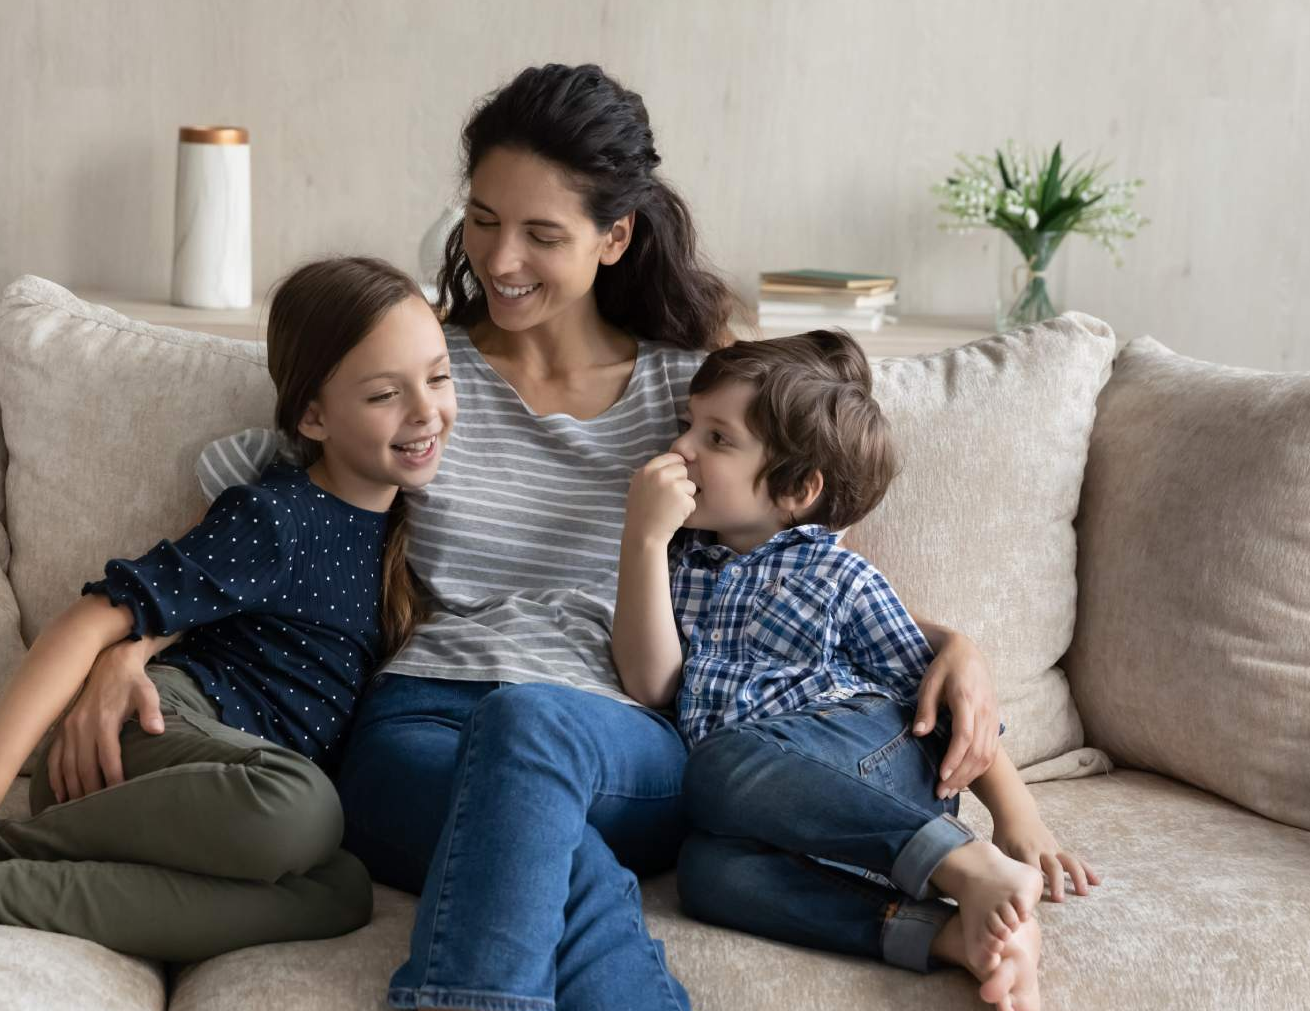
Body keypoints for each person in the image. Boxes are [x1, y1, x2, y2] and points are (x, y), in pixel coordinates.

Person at [53, 64, 1004, 1011]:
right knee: (563, 862)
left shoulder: (694, 396)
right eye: (482, 219)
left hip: (618, 746)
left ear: (614, 236)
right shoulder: (420, 367)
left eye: (542, 234)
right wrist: (129, 643)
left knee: (533, 724)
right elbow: (259, 525)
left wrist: (944, 642)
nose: (500, 259)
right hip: (416, 732)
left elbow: (778, 562)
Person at [0, 256, 456, 963]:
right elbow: (93, 617)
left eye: (439, 377)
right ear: (313, 414)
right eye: (385, 394)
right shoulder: (277, 517)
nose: (425, 411)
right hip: (132, 746)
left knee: (339, 890)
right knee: (303, 806)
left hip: (220, 810)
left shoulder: (401, 531)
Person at [612, 330, 1101, 1011]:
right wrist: (644, 538)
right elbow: (652, 685)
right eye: (684, 426)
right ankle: (951, 936)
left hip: (877, 755)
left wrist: (1017, 819)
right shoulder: (678, 564)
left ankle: (967, 862)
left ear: (796, 488)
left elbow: (946, 703)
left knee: (720, 764)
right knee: (706, 872)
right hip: (785, 801)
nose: (681, 449)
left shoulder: (836, 574)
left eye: (717, 439)